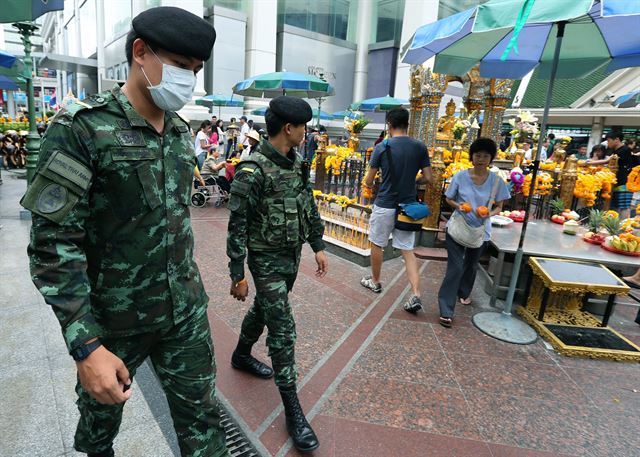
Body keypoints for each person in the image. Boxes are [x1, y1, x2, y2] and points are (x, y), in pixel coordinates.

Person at [20, 7, 229, 457]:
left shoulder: (178, 130)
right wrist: (85, 345)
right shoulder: (82, 127)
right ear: (140, 52)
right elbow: (52, 245)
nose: (188, 80)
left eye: (195, 71)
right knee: (99, 433)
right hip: (113, 321)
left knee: (205, 430)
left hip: (183, 314)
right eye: (180, 67)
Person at [226, 96, 328, 453]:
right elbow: (236, 224)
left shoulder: (297, 162)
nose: (307, 132)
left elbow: (308, 203)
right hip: (264, 260)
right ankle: (293, 410)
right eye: (304, 127)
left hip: (290, 256)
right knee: (282, 327)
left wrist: (317, 243)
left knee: (265, 310)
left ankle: (240, 355)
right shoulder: (251, 170)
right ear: (290, 129)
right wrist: (237, 272)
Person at [360, 108, 433, 313]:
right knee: (407, 251)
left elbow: (368, 179)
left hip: (385, 204)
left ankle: (375, 281)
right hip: (407, 207)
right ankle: (416, 294)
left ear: (389, 124)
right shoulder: (419, 147)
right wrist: (413, 180)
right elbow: (429, 178)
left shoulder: (382, 147)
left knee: (377, 244)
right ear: (407, 124)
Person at [437, 138, 510, 328]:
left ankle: (464, 291)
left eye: (486, 156)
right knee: (455, 267)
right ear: (472, 156)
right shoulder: (461, 176)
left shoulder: (497, 182)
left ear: (491, 158)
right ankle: (446, 309)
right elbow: (449, 199)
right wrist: (460, 206)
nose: (481, 159)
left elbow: (499, 206)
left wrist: (488, 214)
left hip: (480, 232)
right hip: (457, 228)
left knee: (471, 265)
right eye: (478, 155)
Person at [588, 131, 638, 219]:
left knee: (623, 206)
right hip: (618, 181)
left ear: (617, 140)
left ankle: (624, 226)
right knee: (616, 205)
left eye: (609, 140)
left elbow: (607, 161)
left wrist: (589, 163)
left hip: (625, 183)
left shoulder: (624, 150)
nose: (608, 143)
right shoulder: (618, 150)